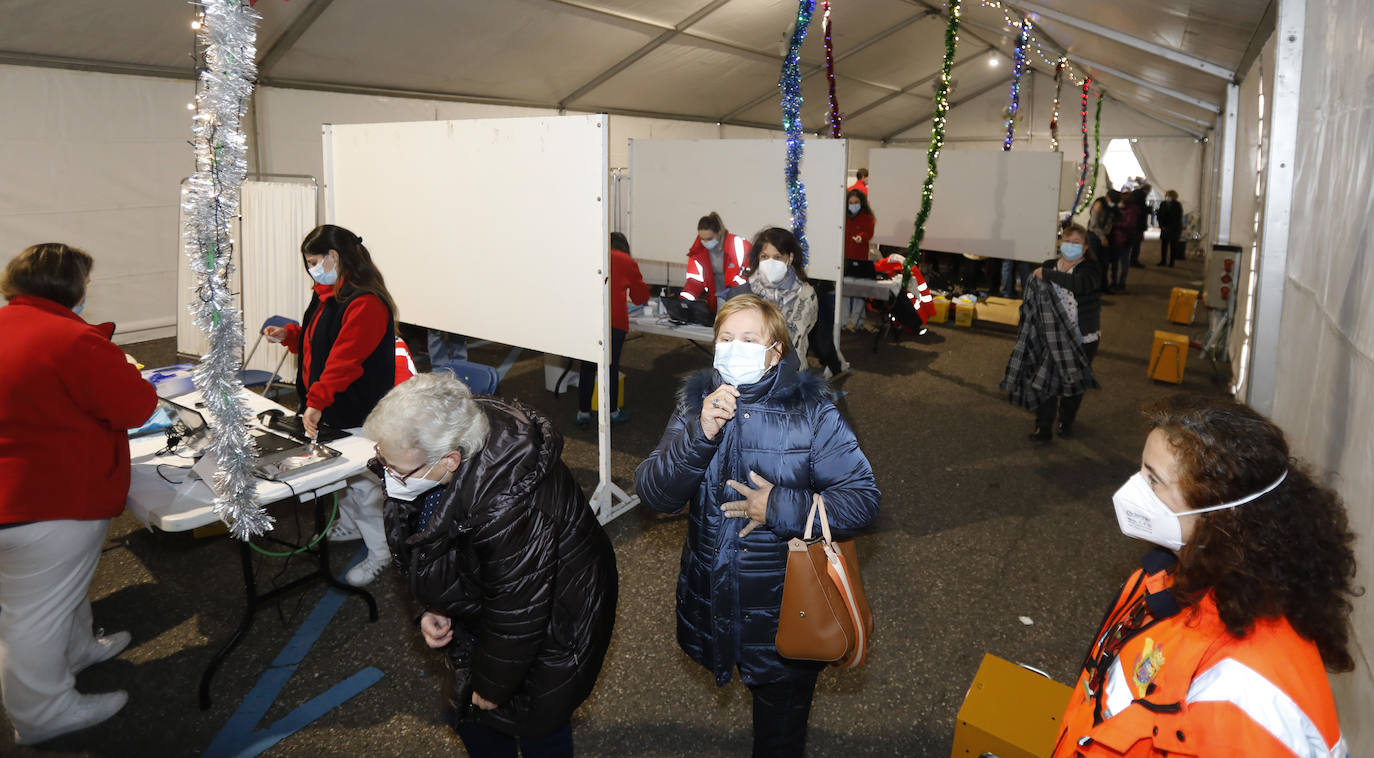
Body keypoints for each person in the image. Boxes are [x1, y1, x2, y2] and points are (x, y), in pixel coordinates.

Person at [635, 295, 880, 757]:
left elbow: (863, 500)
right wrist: (699, 435)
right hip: (714, 599)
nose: (734, 349)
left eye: (749, 340)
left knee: (779, 735)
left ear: (776, 352)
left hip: (788, 609)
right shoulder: (697, 406)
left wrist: (781, 508)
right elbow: (654, 494)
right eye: (726, 339)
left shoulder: (814, 413)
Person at [1054, 395, 1357, 757]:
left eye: (1153, 481)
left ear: (1220, 515)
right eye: (1141, 470)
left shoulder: (1248, 691)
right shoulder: (1167, 576)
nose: (1134, 490)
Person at [365, 373, 617, 758]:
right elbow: (418, 544)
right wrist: (427, 607)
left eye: (396, 470)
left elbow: (519, 608)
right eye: (382, 460)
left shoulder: (509, 505)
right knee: (473, 717)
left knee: (536, 724)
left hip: (555, 621)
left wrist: (494, 684)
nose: (388, 477)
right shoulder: (433, 449)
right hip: (502, 612)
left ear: (449, 459)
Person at [0, 243, 158, 744]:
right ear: (69, 285)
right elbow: (135, 407)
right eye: (85, 282)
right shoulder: (71, 338)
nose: (88, 290)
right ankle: (42, 713)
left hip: (19, 499)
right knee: (33, 617)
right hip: (51, 501)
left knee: (46, 596)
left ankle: (78, 650)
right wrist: (129, 372)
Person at [262, 224, 400, 586]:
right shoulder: (327, 293)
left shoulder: (365, 302)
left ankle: (381, 552)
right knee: (347, 478)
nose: (311, 269)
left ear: (333, 257)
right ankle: (354, 525)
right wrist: (291, 335)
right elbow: (319, 342)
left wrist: (316, 402)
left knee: (363, 484)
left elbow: (345, 360)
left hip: (358, 410)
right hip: (334, 407)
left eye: (313, 261)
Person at [1001, 224, 1101, 441]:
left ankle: (1066, 420)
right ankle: (1043, 426)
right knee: (1044, 382)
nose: (1070, 246)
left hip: (1081, 338)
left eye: (1076, 243)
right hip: (1049, 337)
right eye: (1067, 241)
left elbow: (1081, 285)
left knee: (1072, 384)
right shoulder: (1049, 265)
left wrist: (1048, 275)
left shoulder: (1090, 269)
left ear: (1084, 248)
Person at [577, 232, 649, 426]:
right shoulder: (626, 261)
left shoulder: (593, 256)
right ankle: (611, 412)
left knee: (588, 366)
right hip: (614, 322)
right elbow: (641, 296)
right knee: (610, 367)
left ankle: (583, 412)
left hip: (588, 319)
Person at [730, 227, 818, 362]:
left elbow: (792, 340)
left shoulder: (804, 294)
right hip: (745, 368)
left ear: (790, 258)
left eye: (777, 257)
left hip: (788, 372)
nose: (770, 262)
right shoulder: (743, 292)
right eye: (764, 256)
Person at [681, 212, 751, 312]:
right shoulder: (698, 252)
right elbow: (694, 281)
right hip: (714, 301)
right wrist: (684, 301)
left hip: (739, 300)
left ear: (718, 233)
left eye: (709, 239)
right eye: (702, 239)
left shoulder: (738, 245)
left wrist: (732, 290)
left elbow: (748, 273)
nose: (706, 242)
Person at [843, 189, 876, 330]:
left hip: (860, 259)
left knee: (859, 292)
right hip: (844, 259)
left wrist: (861, 237)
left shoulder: (868, 217)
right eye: (850, 202)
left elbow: (868, 232)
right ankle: (843, 322)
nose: (853, 205)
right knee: (843, 291)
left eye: (856, 202)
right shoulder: (843, 216)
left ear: (861, 203)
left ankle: (857, 322)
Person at [1108, 191, 1139, 292]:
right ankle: (1115, 282)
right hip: (1117, 238)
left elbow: (1129, 225)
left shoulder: (1131, 210)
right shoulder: (1121, 208)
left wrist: (1114, 224)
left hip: (1124, 239)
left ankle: (1121, 282)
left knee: (1123, 262)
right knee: (1116, 262)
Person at [1155, 190, 1184, 267]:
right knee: (1164, 245)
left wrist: (1170, 227)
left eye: (1168, 195)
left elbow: (1178, 217)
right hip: (1164, 228)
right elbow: (1159, 215)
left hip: (1174, 228)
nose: (1167, 197)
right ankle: (1163, 260)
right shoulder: (1163, 203)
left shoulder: (1177, 205)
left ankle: (1172, 262)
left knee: (1173, 246)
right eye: (1166, 195)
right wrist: (1161, 225)